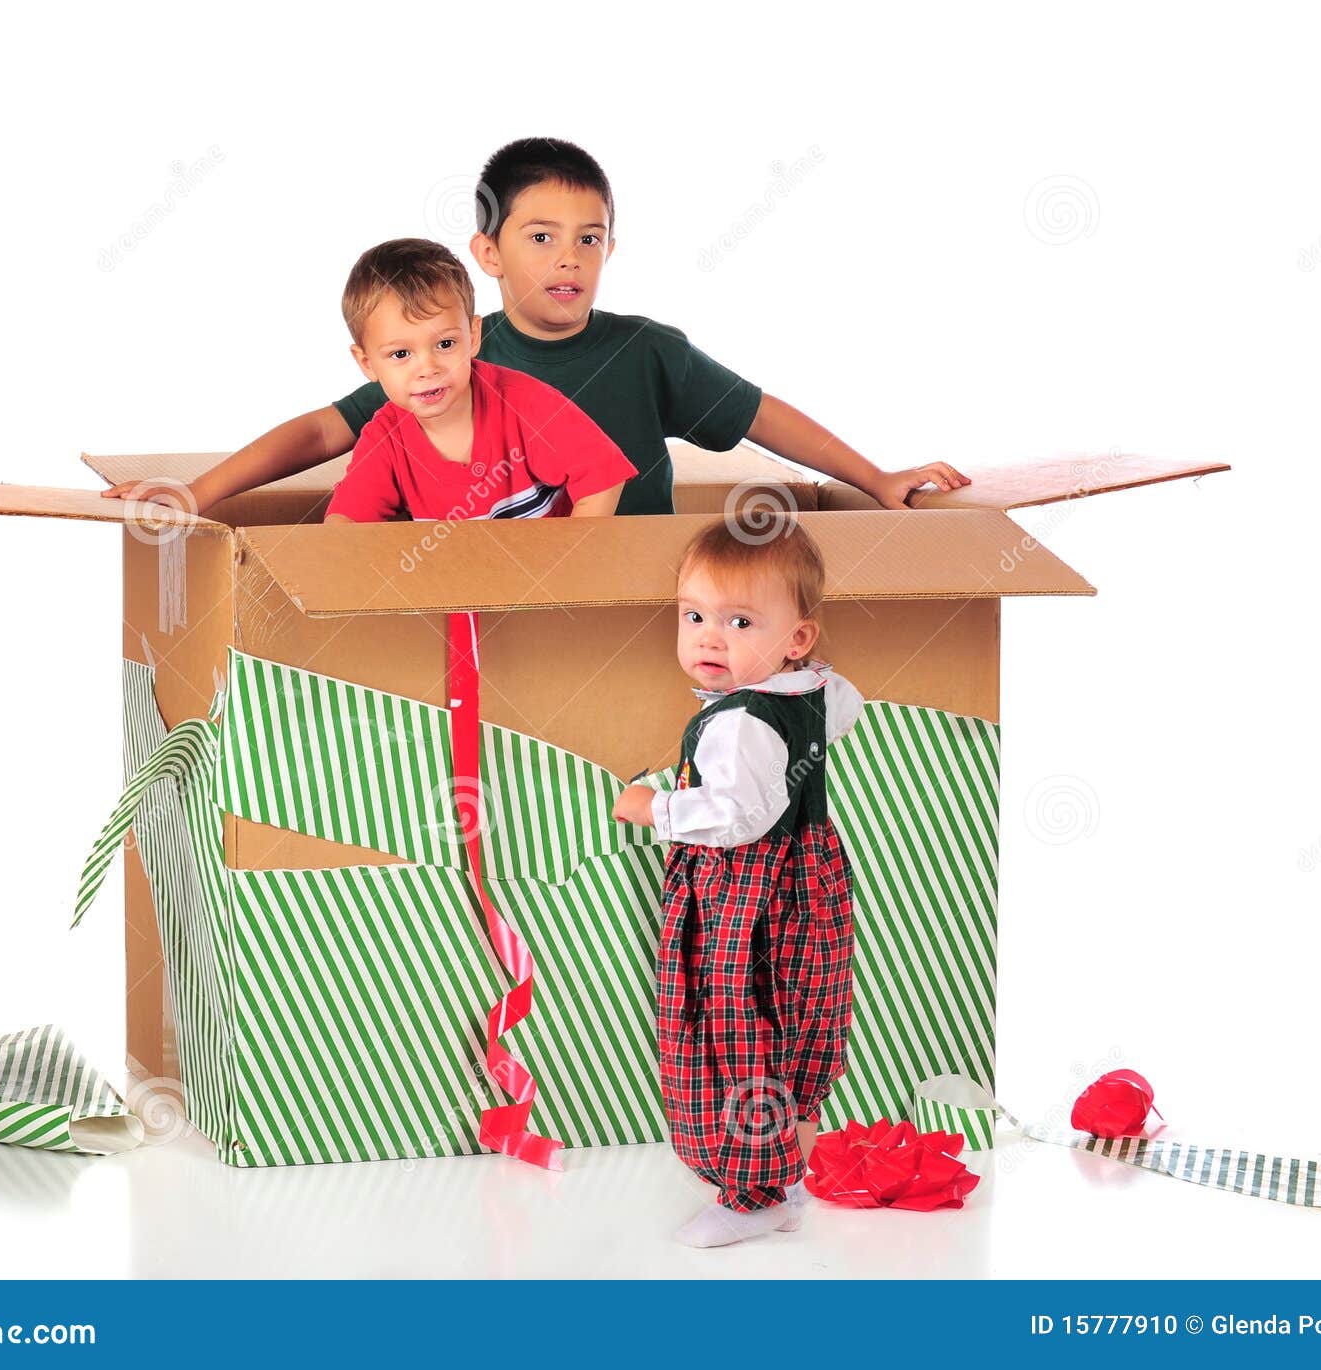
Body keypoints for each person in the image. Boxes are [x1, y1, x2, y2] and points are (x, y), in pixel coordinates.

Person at [102, 138, 969, 517]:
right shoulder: (452, 353)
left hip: (634, 594)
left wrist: (872, 475)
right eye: (541, 237)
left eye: (588, 239)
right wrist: (200, 492)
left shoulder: (643, 349)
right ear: (486, 250)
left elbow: (759, 414)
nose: (569, 259)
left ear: (611, 248)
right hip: (500, 600)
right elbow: (322, 431)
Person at [613, 513, 863, 1247]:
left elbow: (736, 817)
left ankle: (752, 1194)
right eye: (694, 616)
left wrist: (651, 806)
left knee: (730, 1027)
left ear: (798, 638)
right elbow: (843, 711)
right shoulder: (813, 688)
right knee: (792, 1010)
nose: (709, 638)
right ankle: (789, 1159)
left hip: (742, 897)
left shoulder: (738, 723)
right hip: (807, 883)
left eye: (739, 621)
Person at [322, 237, 633, 522]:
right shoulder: (386, 439)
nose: (428, 368)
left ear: (472, 337)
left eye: (445, 344)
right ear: (367, 363)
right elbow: (346, 521)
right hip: (456, 576)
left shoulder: (523, 402)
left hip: (546, 570)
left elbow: (602, 476)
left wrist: (571, 561)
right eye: (401, 354)